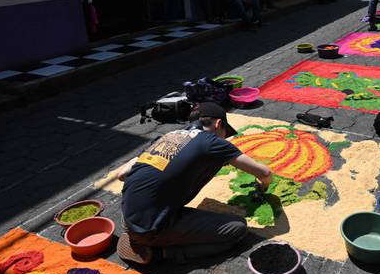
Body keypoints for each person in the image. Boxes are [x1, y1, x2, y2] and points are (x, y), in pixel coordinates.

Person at [116, 102, 273, 265]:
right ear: (218, 124)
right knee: (237, 228)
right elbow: (265, 173)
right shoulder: (212, 142)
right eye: (224, 133)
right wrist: (263, 185)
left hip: (127, 216)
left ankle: (140, 232)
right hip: (149, 228)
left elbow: (121, 174)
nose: (224, 138)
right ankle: (160, 253)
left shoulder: (168, 136)